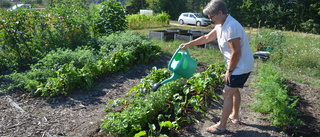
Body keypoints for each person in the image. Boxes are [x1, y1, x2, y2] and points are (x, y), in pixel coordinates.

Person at [180, 0, 254, 134]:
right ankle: (234, 115)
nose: (210, 18)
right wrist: (188, 45)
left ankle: (222, 126)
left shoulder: (231, 27)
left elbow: (236, 52)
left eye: (211, 16)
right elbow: (207, 37)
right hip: (239, 64)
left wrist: (230, 71)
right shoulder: (221, 24)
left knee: (227, 93)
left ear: (220, 12)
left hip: (240, 66)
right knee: (234, 90)